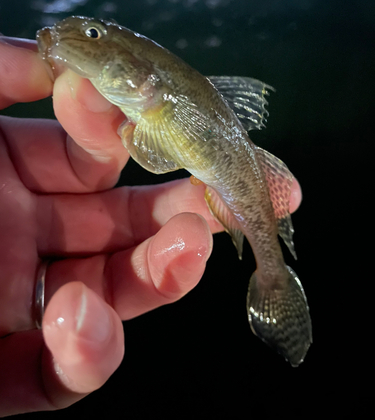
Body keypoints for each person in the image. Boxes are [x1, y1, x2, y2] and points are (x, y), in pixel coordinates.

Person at [0, 36, 302, 415]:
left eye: (94, 36)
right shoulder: (146, 94)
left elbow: (154, 158)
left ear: (147, 80)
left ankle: (273, 275)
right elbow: (155, 156)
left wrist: (134, 136)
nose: (83, 38)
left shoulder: (156, 101)